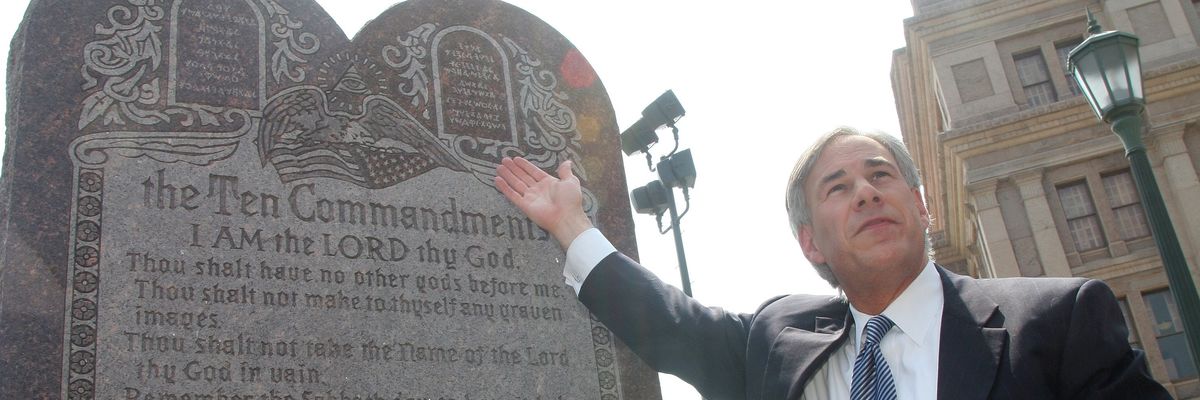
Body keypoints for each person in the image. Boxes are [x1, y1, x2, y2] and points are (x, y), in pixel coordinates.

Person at [494, 126, 1169, 399]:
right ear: (811, 243)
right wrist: (571, 223)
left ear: (921, 204)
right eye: (837, 189)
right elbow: (672, 323)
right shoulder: (777, 341)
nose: (867, 191)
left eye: (880, 175)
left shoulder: (1057, 321)